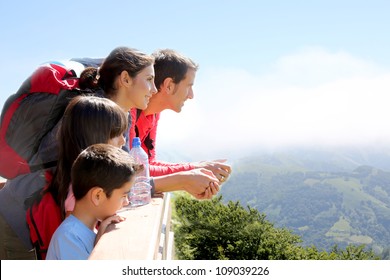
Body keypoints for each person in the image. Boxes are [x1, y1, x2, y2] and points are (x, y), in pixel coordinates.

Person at [130, 49, 231, 181]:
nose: (191, 95)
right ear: (169, 85)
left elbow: (149, 164)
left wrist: (198, 168)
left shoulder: (153, 114)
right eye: (189, 86)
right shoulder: (129, 113)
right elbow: (136, 170)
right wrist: (194, 169)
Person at [46, 143, 141, 260]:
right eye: (123, 195)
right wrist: (100, 246)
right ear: (97, 196)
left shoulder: (88, 230)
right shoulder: (68, 237)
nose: (126, 202)